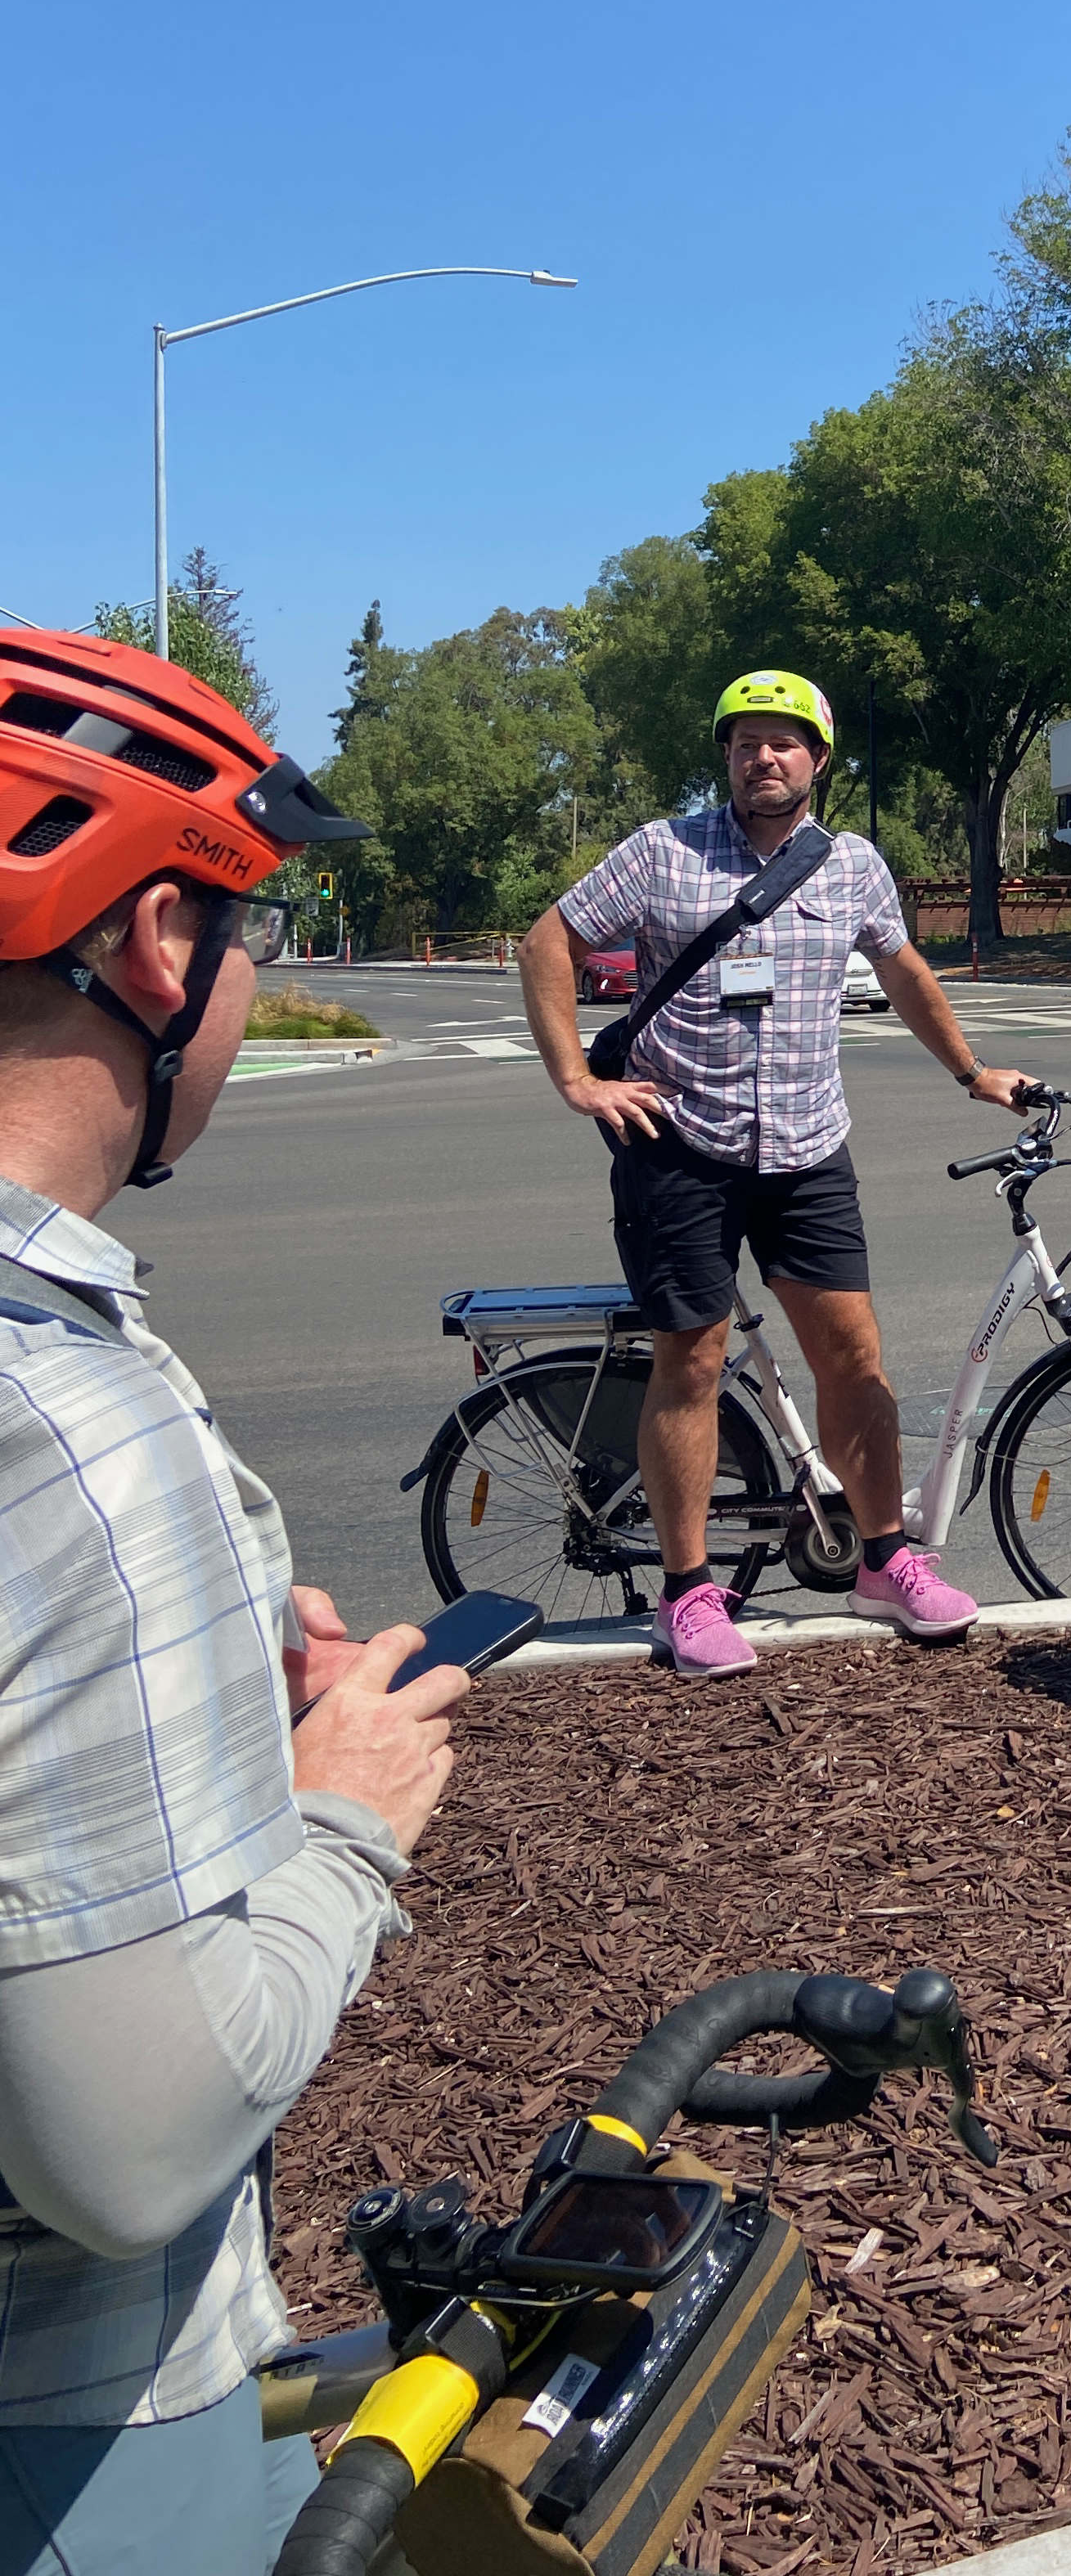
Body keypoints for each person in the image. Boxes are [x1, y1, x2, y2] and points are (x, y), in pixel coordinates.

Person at [0, 625, 469, 2574]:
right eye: (253, 931)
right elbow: (122, 2154)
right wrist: (344, 1811)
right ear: (158, 947)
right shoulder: (65, 1436)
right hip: (82, 2430)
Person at [518, 668, 1035, 1675]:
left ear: (818, 760)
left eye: (785, 740)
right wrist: (577, 1078)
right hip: (681, 1148)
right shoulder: (663, 853)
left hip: (806, 1150)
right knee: (694, 1362)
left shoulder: (851, 867)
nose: (765, 755)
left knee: (856, 1360)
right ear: (725, 755)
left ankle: (886, 1559)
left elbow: (902, 970)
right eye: (747, 739)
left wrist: (973, 1072)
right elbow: (551, 941)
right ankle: (688, 1593)